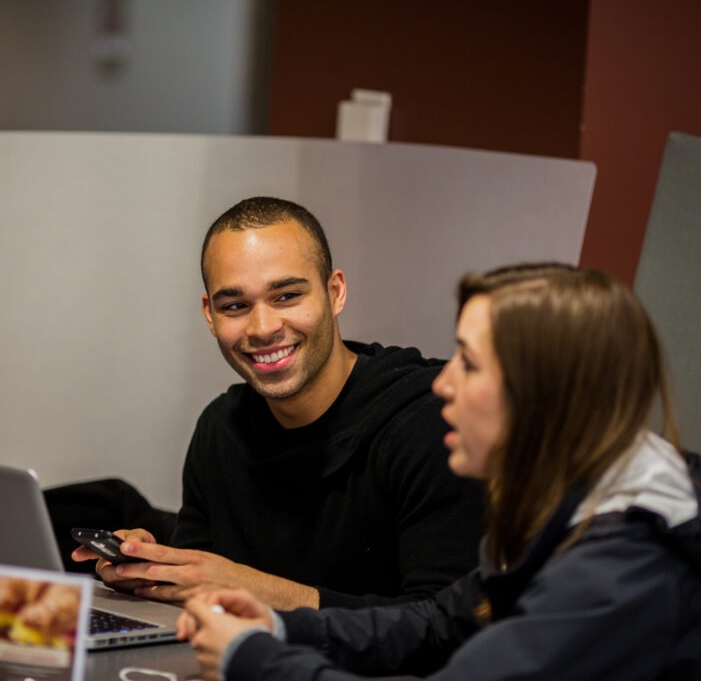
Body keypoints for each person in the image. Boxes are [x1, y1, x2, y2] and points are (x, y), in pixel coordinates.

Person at [176, 263, 701, 680]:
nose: (442, 382)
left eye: (469, 362)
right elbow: (439, 622)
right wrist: (285, 631)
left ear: (539, 395)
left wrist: (250, 659)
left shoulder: (622, 571)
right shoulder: (567, 505)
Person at [72, 196, 485, 610]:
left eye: (286, 296)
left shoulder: (432, 421)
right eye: (235, 306)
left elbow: (444, 628)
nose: (264, 328)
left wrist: (250, 588)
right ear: (209, 315)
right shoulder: (221, 428)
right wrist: (155, 571)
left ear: (335, 292)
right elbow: (201, 599)